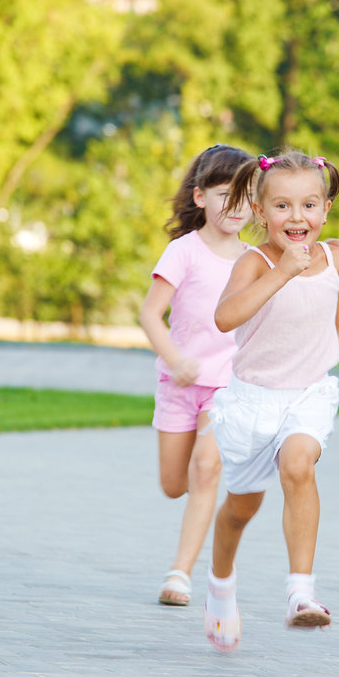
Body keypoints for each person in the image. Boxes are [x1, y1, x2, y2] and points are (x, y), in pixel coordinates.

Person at [202, 150, 339, 653]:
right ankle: (220, 585)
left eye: (309, 205)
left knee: (299, 465)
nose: (298, 218)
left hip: (309, 393)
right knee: (240, 509)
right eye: (284, 207)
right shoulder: (256, 261)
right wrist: (283, 272)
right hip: (253, 401)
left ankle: (300, 592)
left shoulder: (336, 254)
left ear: (325, 209)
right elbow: (225, 318)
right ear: (260, 210)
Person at [139, 144, 255, 606]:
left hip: (227, 386)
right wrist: (176, 360)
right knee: (175, 484)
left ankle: (179, 575)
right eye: (226, 194)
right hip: (178, 383)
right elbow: (150, 315)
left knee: (207, 469)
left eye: (246, 196)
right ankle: (196, 504)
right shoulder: (183, 252)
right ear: (200, 196)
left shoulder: (254, 259)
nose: (236, 206)